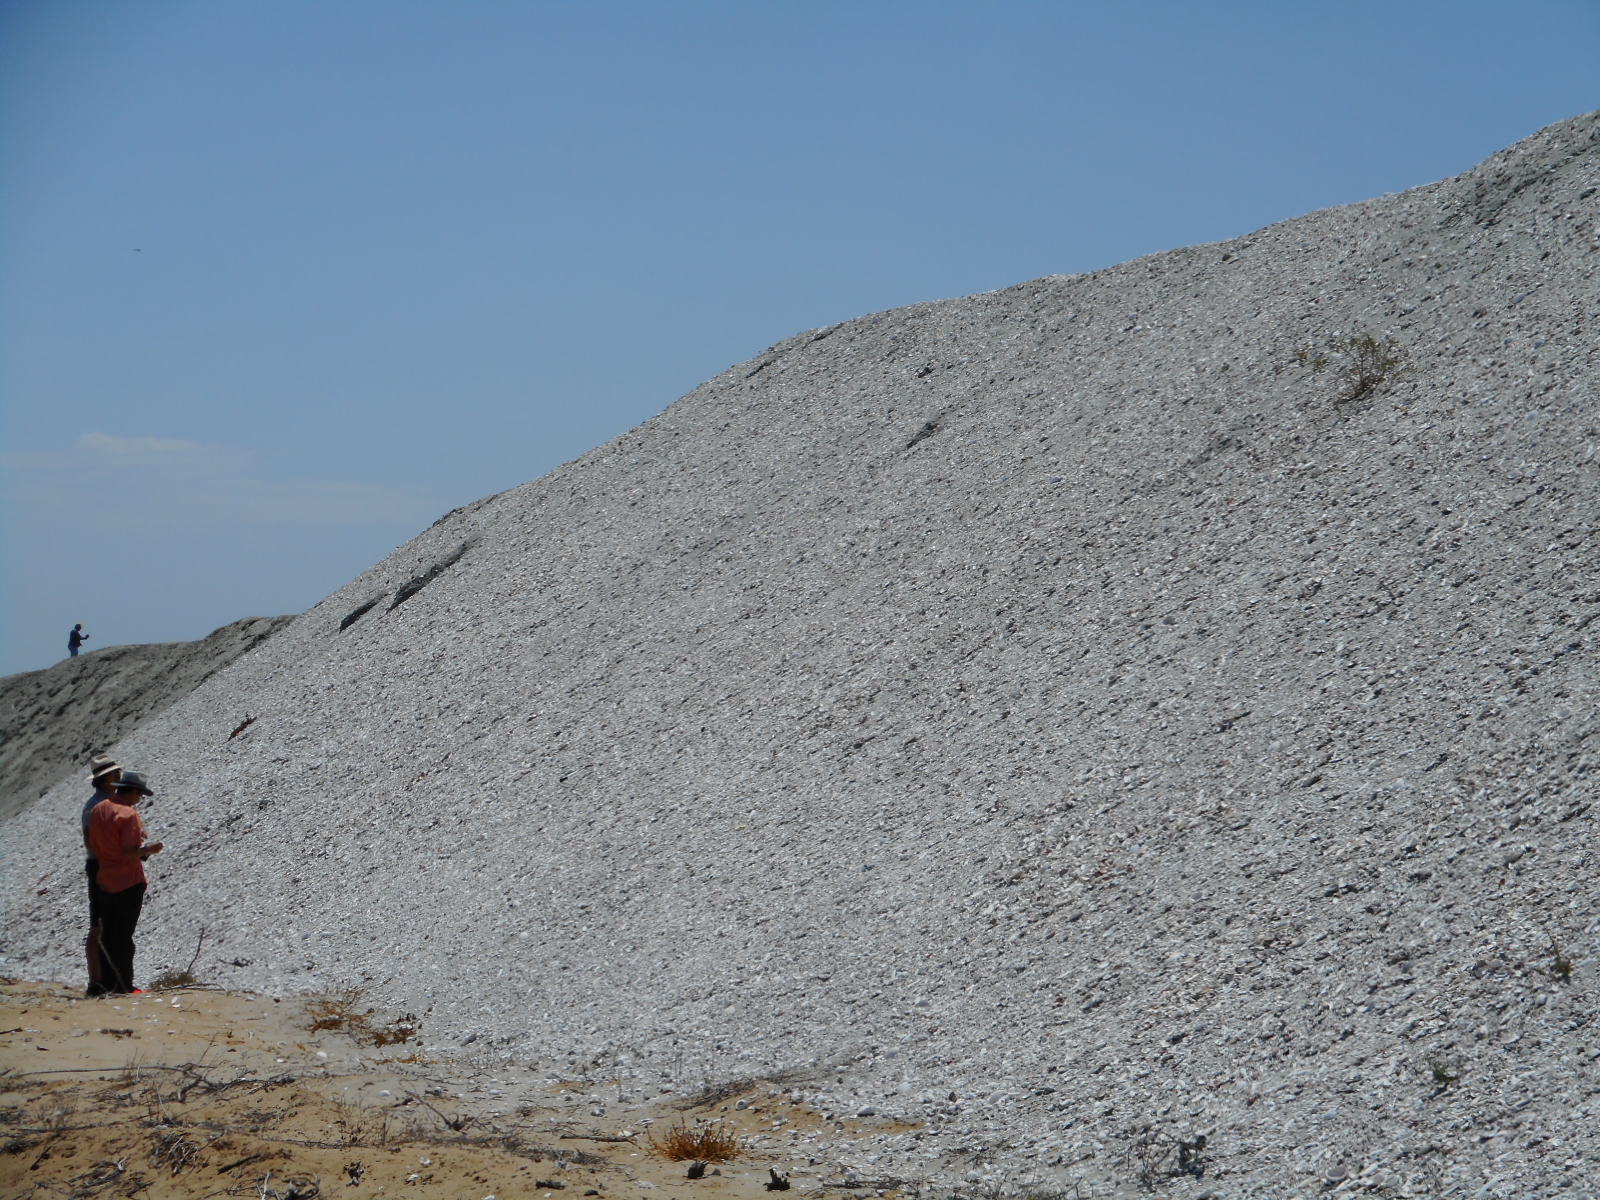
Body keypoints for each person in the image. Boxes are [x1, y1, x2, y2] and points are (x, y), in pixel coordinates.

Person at [87, 770, 163, 994]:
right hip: (128, 882)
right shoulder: (128, 815)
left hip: (104, 879)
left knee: (107, 935)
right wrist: (150, 849)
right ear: (133, 791)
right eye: (140, 795)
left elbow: (93, 843)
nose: (139, 800)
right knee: (123, 938)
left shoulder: (98, 809)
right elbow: (130, 851)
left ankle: (105, 983)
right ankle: (124, 986)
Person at [82, 756, 121, 997]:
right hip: (100, 866)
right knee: (98, 924)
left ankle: (107, 978)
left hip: (108, 865)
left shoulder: (109, 801)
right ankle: (95, 981)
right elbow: (91, 841)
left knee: (109, 923)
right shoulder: (96, 806)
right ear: (105, 778)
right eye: (115, 773)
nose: (119, 775)